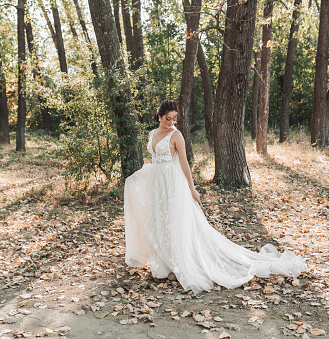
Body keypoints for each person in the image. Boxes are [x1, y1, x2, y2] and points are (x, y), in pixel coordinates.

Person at [124, 100, 306, 294]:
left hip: (173, 184)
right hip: (158, 184)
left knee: (176, 221)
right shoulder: (152, 134)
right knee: (161, 220)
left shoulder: (176, 135)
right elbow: (154, 159)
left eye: (174, 119)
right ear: (159, 116)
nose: (171, 122)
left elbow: (184, 163)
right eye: (168, 118)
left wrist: (192, 189)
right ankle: (164, 264)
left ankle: (181, 263)